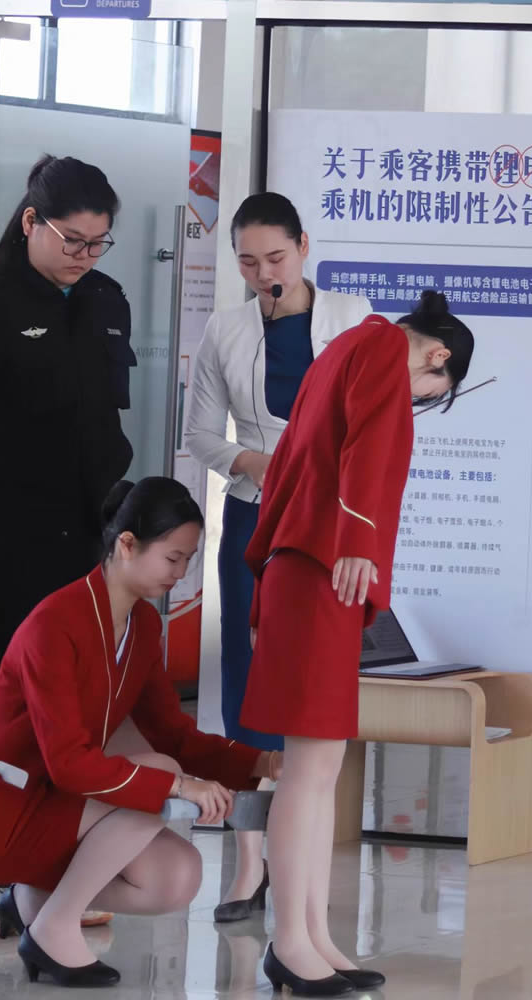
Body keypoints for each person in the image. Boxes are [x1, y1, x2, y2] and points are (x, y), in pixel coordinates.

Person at [0, 477, 283, 988]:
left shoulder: (143, 627)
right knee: (160, 774)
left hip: (58, 806)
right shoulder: (55, 624)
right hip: (2, 813)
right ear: (126, 544)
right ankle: (53, 928)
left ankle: (34, 900)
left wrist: (261, 761)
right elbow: (68, 763)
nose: (181, 573)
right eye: (172, 557)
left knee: (177, 877)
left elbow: (173, 734)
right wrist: (178, 784)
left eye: (189, 560)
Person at [0, 154, 135, 935]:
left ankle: (50, 878)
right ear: (31, 221)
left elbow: (108, 417)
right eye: (72, 240)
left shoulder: (106, 301)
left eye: (99, 242)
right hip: (7, 538)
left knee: (71, 716)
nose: (85, 256)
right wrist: (7, 482)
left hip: (88, 540)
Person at [241, 291, 475, 996]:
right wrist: (358, 540)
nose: (421, 400)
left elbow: (297, 459)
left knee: (319, 771)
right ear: (438, 355)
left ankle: (311, 936)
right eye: (434, 391)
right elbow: (367, 445)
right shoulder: (377, 348)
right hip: (323, 565)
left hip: (309, 565)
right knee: (310, 772)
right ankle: (291, 943)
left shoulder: (346, 346)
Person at [185, 192, 371, 922]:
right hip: (254, 517)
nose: (265, 274)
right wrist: (260, 464)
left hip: (324, 529)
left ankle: (300, 856)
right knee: (248, 679)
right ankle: (249, 863)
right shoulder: (225, 328)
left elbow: (371, 428)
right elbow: (202, 435)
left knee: (311, 682)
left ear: (303, 247)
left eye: (276, 258)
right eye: (248, 262)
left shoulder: (352, 317)